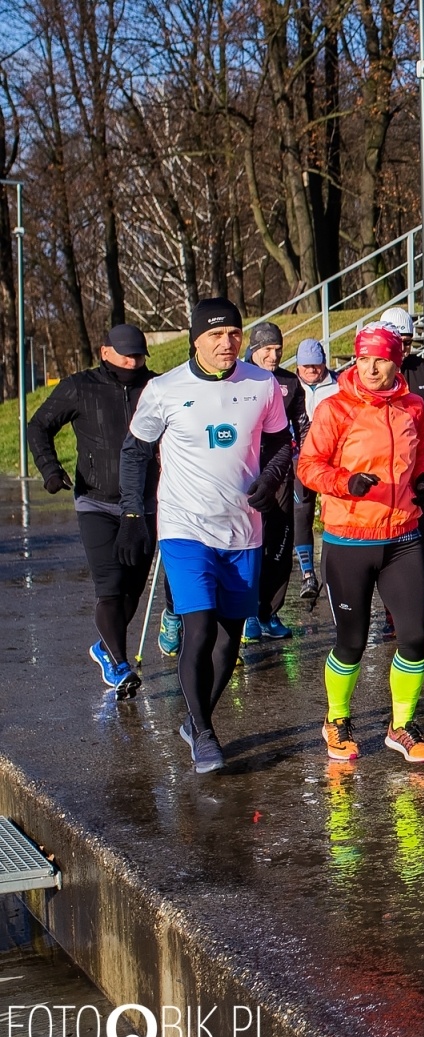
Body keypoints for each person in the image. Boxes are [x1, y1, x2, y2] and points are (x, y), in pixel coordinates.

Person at [119, 297, 294, 773]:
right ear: (195, 338)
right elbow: (135, 451)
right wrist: (132, 514)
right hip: (185, 527)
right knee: (198, 628)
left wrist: (270, 479)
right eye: (215, 334)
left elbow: (282, 442)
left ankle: (196, 721)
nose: (226, 342)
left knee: (229, 639)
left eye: (234, 333)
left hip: (243, 529)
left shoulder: (261, 384)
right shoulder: (164, 389)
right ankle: (205, 734)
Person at [297, 325, 424, 763]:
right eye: (363, 359)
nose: (371, 368)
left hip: (403, 537)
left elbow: (422, 453)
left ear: (397, 362)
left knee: (414, 636)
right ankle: (336, 719)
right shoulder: (336, 408)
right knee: (352, 642)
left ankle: (401, 726)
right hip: (350, 539)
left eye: (381, 360)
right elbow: (308, 466)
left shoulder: (413, 406)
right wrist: (346, 483)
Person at [27, 324, 165, 697]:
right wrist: (50, 469)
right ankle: (119, 665)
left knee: (132, 589)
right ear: (105, 352)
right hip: (96, 501)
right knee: (110, 586)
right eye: (126, 356)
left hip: (145, 502)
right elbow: (38, 426)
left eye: (139, 356)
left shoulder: (156, 387)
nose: (133, 363)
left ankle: (105, 647)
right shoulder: (80, 387)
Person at [242, 323, 305, 641]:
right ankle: (246, 612)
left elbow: (302, 426)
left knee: (280, 544)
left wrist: (307, 460)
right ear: (253, 349)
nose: (273, 355)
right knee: (248, 544)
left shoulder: (289, 382)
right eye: (267, 349)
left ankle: (268, 612)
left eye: (278, 349)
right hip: (244, 473)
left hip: (279, 474)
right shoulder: (238, 377)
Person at [378, 307, 424, 569]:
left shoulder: (421, 369)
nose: (403, 349)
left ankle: (416, 573)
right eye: (398, 342)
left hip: (420, 464)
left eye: (408, 342)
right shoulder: (374, 373)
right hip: (387, 468)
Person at [292, 339, 338, 600]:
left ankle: (334, 570)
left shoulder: (338, 384)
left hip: (332, 459)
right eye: (306, 366)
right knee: (302, 513)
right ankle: (307, 574)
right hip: (300, 459)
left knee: (334, 512)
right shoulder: (290, 386)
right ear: (298, 365)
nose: (311, 370)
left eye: (316, 365)